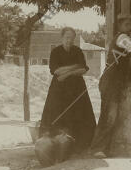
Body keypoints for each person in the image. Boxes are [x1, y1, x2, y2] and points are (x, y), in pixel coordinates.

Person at [90, 14, 131, 158]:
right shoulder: (122, 38)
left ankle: (101, 148)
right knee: (109, 116)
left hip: (115, 81)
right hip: (110, 81)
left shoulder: (125, 39)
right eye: (126, 25)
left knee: (109, 115)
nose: (129, 27)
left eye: (130, 25)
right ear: (120, 26)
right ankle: (98, 149)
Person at [39, 27, 96, 155]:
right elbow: (56, 70)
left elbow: (84, 69)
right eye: (67, 37)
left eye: (71, 38)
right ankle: (56, 147)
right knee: (57, 114)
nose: (69, 40)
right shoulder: (56, 52)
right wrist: (74, 67)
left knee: (80, 114)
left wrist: (66, 73)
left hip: (77, 89)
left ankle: (80, 146)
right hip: (59, 90)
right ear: (62, 38)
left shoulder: (77, 51)